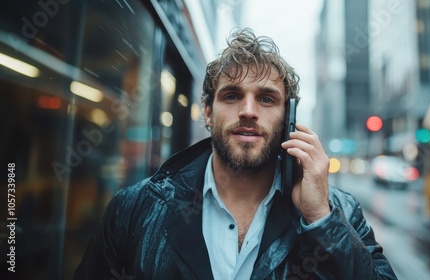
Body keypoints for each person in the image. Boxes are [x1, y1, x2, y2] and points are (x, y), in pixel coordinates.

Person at [74, 28, 397, 280]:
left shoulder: (337, 212)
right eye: (231, 96)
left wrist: (321, 221)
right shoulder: (135, 208)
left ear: (289, 119)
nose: (248, 111)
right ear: (209, 113)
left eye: (267, 99)